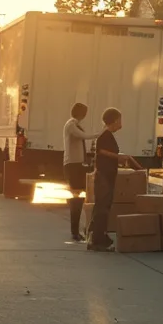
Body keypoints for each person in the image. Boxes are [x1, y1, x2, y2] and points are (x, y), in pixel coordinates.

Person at [87, 107, 143, 252]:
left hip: (107, 176)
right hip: (104, 177)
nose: (121, 123)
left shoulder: (107, 135)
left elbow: (106, 153)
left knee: (103, 207)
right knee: (102, 208)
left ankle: (98, 237)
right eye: (120, 120)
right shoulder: (104, 136)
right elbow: (102, 152)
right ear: (115, 120)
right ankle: (97, 240)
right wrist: (120, 157)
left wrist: (120, 159)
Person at [61, 102, 99, 242]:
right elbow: (83, 136)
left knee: (80, 193)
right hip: (72, 165)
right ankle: (75, 230)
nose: (85, 115)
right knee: (77, 194)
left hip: (77, 164)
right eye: (85, 112)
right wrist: (99, 134)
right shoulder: (71, 125)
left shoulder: (74, 124)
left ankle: (77, 229)